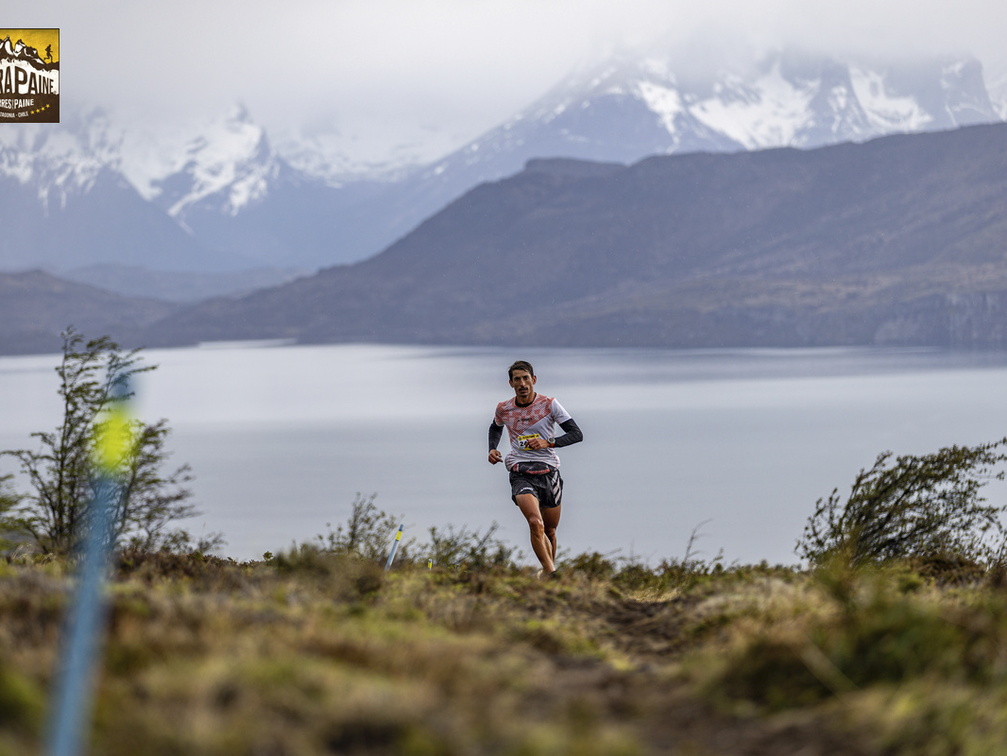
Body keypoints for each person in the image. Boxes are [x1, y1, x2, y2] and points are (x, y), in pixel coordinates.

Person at [488, 360, 583, 578]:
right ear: (511, 383)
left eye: (526, 378)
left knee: (549, 530)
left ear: (534, 380)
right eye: (517, 379)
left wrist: (549, 443)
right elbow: (495, 426)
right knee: (535, 522)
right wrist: (492, 448)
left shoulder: (549, 405)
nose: (522, 383)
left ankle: (546, 573)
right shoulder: (504, 408)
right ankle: (553, 574)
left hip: (549, 472)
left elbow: (577, 434)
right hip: (520, 472)